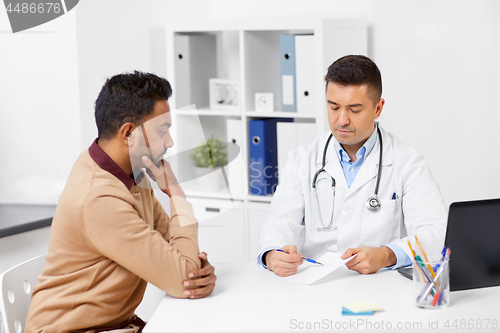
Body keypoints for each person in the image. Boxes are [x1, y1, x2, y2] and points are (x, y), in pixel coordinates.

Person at [26, 71, 216, 332]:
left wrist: (194, 269)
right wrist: (175, 192)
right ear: (128, 133)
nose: (170, 142)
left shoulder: (130, 171)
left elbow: (173, 249)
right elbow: (183, 278)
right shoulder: (99, 197)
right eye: (163, 131)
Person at [257, 55, 447, 277]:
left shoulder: (408, 162)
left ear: (378, 108)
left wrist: (388, 254)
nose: (342, 120)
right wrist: (272, 254)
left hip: (380, 285)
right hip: (315, 284)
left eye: (354, 109)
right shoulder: (302, 159)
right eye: (334, 107)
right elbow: (279, 222)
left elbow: (436, 232)